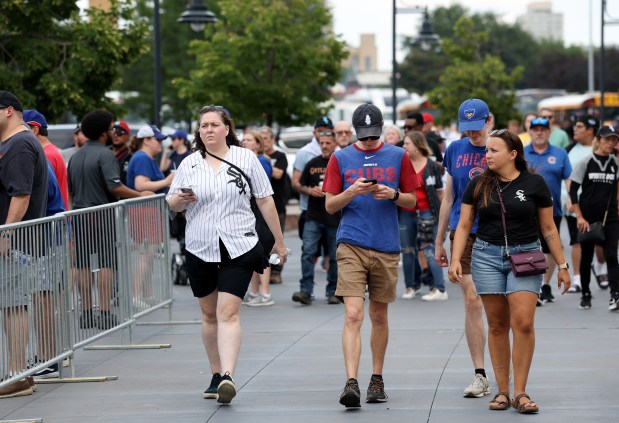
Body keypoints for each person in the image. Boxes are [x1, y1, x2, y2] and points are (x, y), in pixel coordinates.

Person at [166, 105, 288, 405]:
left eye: (214, 124)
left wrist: (279, 242)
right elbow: (172, 203)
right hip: (199, 246)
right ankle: (216, 373)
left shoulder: (245, 158)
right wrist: (178, 199)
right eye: (203, 125)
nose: (208, 130)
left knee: (228, 312)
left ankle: (228, 377)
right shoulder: (189, 163)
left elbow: (265, 200)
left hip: (239, 244)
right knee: (209, 314)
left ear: (226, 128)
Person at [448, 128, 571, 414]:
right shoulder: (478, 184)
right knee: (498, 324)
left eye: (494, 150)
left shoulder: (536, 183)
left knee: (523, 322)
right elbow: (464, 224)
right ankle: (503, 391)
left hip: (526, 255)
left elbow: (549, 228)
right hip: (486, 256)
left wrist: (563, 266)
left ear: (513, 154)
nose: (487, 155)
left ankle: (521, 392)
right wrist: (456, 259)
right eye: (487, 150)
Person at [323, 103, 418, 408]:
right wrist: (352, 191)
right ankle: (351, 381)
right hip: (351, 242)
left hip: (386, 244)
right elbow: (329, 205)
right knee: (353, 314)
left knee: (379, 315)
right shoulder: (340, 158)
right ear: (354, 132)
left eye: (372, 135)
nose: (367, 141)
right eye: (362, 136)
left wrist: (391, 193)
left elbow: (412, 201)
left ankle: (376, 377)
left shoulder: (398, 155)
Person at [67, 110, 151, 330]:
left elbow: (71, 192)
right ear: (104, 131)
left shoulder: (75, 156)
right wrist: (139, 195)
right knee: (106, 264)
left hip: (79, 215)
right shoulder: (106, 155)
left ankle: (86, 313)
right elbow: (115, 186)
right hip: (101, 215)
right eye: (112, 126)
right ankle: (104, 312)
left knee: (83, 264)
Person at [434, 98, 490, 398]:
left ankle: (507, 374)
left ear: (489, 121)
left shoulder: (500, 148)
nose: (473, 134)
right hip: (462, 231)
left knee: (499, 306)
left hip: (495, 232)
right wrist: (439, 238)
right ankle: (480, 373)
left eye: (477, 128)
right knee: (472, 299)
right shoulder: (455, 149)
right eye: (467, 129)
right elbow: (448, 197)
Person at [0, 91, 48, 398]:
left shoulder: (18, 145)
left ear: (7, 111)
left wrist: (5, 234)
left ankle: (17, 374)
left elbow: (21, 195)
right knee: (11, 304)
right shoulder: (16, 143)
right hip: (16, 241)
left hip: (13, 243)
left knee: (13, 305)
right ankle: (20, 373)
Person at [569, 125, 619, 310]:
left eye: (614, 140)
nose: (610, 143)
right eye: (607, 139)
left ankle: (615, 295)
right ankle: (586, 294)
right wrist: (580, 217)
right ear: (598, 140)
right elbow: (573, 191)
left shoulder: (615, 163)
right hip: (587, 218)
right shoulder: (586, 161)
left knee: (612, 255)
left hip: (610, 217)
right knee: (587, 256)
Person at [524, 117, 572, 305]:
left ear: (549, 132)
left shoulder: (559, 154)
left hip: (553, 210)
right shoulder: (522, 153)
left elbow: (568, 178)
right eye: (535, 129)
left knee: (550, 248)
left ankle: (545, 284)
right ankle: (533, 287)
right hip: (527, 210)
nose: (539, 132)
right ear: (530, 131)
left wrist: (571, 197)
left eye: (543, 129)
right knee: (530, 247)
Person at [292, 130, 340, 305]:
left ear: (335, 144)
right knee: (307, 253)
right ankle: (306, 291)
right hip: (313, 215)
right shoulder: (312, 163)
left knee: (335, 256)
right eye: (322, 143)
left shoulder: (340, 163)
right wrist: (309, 190)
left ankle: (333, 291)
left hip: (334, 217)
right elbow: (299, 184)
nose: (325, 146)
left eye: (328, 143)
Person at [402, 131, 446, 301]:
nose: (404, 146)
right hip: (406, 213)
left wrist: (444, 219)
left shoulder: (432, 166)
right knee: (407, 250)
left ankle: (439, 288)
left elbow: (440, 193)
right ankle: (410, 286)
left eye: (407, 144)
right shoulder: (402, 165)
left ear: (418, 146)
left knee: (429, 250)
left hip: (428, 212)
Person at [564, 115, 599, 293]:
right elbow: (567, 178)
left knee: (601, 241)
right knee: (577, 241)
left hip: (597, 205)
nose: (574, 130)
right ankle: (577, 278)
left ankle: (601, 267)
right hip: (574, 204)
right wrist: (570, 199)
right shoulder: (569, 149)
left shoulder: (600, 150)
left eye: (579, 127)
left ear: (590, 130)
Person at [241, 130, 274, 306]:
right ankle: (254, 292)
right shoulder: (245, 160)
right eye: (243, 139)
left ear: (258, 144)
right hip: (251, 210)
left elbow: (262, 189)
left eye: (248, 140)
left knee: (263, 252)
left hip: (260, 212)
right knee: (253, 252)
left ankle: (265, 293)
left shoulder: (261, 161)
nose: (244, 142)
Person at [260, 125, 289, 284]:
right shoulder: (256, 157)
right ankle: (263, 269)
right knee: (263, 239)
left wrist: (265, 162)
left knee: (277, 239)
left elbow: (278, 174)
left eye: (266, 139)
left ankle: (276, 271)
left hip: (277, 204)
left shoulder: (280, 156)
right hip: (261, 206)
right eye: (261, 139)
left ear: (272, 140)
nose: (264, 142)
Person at [23, 109, 69, 210]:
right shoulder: (49, 151)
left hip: (52, 219)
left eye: (21, 130)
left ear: (34, 130)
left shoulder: (45, 155)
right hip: (57, 217)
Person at [110, 120, 132, 185]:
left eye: (119, 132)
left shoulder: (130, 156)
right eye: (113, 131)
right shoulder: (104, 151)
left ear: (128, 136)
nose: (115, 135)